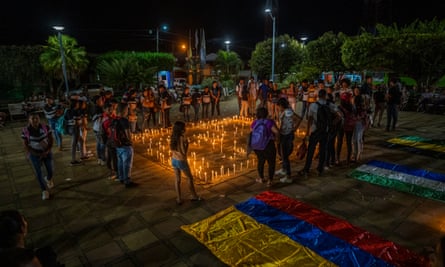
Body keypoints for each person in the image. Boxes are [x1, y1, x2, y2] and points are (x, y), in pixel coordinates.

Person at [21, 113, 54, 200]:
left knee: (50, 170)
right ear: (29, 120)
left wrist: (47, 151)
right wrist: (36, 154)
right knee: (38, 173)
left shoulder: (45, 127)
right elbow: (26, 145)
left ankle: (48, 178)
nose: (35, 120)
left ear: (39, 119)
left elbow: (51, 139)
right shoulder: (25, 131)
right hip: (34, 155)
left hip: (46, 153)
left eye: (37, 118)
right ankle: (44, 191)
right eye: (33, 118)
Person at [299, 89, 330, 177]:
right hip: (325, 130)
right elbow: (339, 116)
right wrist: (330, 125)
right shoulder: (329, 105)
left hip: (315, 130)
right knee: (323, 150)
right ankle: (320, 169)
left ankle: (306, 169)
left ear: (318, 96)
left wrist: (307, 132)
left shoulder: (313, 106)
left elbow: (310, 119)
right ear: (325, 96)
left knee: (311, 150)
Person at [169, 121, 201, 205]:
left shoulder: (173, 137)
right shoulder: (181, 138)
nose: (185, 129)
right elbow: (183, 152)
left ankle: (179, 199)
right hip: (181, 161)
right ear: (181, 129)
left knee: (177, 180)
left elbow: (172, 149)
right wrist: (187, 144)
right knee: (190, 178)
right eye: (184, 127)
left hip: (173, 160)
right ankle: (194, 196)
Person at [250, 107, 279, 187]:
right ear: (266, 114)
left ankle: (261, 178)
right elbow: (276, 132)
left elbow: (251, 133)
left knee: (260, 161)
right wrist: (276, 139)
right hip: (268, 145)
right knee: (271, 163)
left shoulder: (254, 123)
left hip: (258, 146)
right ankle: (270, 181)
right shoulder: (269, 122)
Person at [275, 98, 302, 183]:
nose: (278, 108)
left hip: (287, 135)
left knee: (285, 155)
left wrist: (294, 129)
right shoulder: (285, 111)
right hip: (284, 133)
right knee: (282, 154)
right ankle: (283, 169)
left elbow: (298, 118)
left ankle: (288, 176)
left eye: (278, 106)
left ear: (281, 105)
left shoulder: (288, 111)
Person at [114, 103, 137, 188]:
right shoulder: (124, 120)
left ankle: (121, 178)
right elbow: (128, 133)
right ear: (124, 110)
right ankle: (127, 180)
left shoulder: (115, 119)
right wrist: (131, 142)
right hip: (125, 145)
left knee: (120, 162)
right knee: (127, 163)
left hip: (117, 144)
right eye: (127, 109)